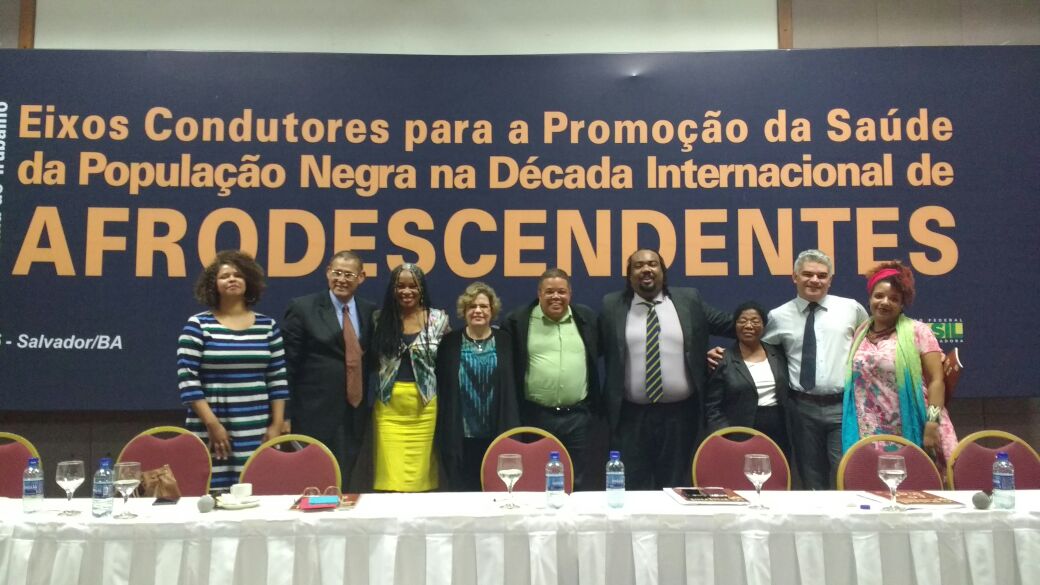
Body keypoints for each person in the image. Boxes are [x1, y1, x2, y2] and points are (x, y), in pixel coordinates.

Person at [599, 249, 734, 490]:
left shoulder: (688, 300)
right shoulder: (612, 305)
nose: (646, 269)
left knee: (675, 487)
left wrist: (721, 356)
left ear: (663, 271)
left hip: (680, 417)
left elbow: (734, 326)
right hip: (631, 418)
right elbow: (592, 346)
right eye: (638, 266)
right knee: (632, 489)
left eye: (653, 264)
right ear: (629, 275)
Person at [177, 250, 288, 490]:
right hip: (212, 425)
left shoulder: (268, 326)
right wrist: (213, 425)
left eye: (238, 275)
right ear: (213, 285)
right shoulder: (198, 325)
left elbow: (278, 378)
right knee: (210, 491)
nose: (232, 279)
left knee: (256, 490)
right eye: (224, 276)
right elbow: (188, 380)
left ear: (249, 282)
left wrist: (277, 424)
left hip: (256, 426)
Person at [762, 249, 868, 490]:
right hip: (801, 408)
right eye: (807, 274)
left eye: (822, 275)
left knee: (846, 473)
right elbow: (760, 352)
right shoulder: (778, 316)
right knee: (811, 478)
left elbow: (873, 342)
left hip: (843, 406)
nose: (814, 280)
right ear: (794, 277)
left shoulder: (851, 309)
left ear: (830, 280)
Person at [841, 261, 957, 465]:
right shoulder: (860, 333)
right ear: (870, 298)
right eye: (879, 296)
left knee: (921, 481)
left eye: (894, 298)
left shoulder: (918, 331)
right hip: (871, 431)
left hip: (915, 425)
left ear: (902, 304)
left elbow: (936, 381)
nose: (885, 302)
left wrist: (932, 422)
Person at [282, 250, 376, 488]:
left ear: (361, 277)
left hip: (354, 414)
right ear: (327, 273)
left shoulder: (370, 311)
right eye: (337, 273)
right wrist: (284, 415)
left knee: (345, 480)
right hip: (313, 414)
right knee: (312, 482)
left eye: (348, 274)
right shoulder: (303, 308)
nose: (341, 279)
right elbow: (287, 366)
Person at [503, 268, 599, 490]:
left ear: (570, 294)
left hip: (578, 418)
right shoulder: (519, 321)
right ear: (539, 293)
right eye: (549, 292)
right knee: (536, 479)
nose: (556, 296)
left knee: (577, 482)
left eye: (561, 292)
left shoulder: (585, 319)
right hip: (537, 416)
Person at [370, 263, 450, 492]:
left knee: (420, 475)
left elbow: (447, 362)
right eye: (401, 286)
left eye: (413, 286)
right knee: (390, 475)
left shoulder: (438, 320)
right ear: (393, 289)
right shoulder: (379, 319)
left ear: (421, 288)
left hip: (424, 406)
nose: (407, 291)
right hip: (388, 408)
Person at [435, 282, 520, 491]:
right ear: (464, 311)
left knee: (496, 491)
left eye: (483, 306)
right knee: (463, 494)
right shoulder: (449, 343)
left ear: (492, 311)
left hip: (497, 433)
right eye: (472, 306)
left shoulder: (506, 342)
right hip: (460, 437)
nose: (478, 311)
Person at [704, 301, 792, 462]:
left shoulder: (778, 354)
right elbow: (712, 407)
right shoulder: (722, 360)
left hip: (779, 432)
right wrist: (724, 435)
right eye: (742, 321)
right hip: (739, 433)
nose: (749, 326)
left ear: (764, 326)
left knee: (777, 472)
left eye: (755, 321)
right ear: (735, 325)